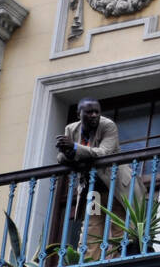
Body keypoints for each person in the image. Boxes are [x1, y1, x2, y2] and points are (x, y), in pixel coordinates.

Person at [55, 98, 134, 255]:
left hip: (114, 187)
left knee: (120, 227)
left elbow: (103, 153)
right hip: (93, 190)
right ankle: (89, 261)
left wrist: (74, 147)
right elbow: (61, 158)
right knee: (91, 230)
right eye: (89, 112)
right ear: (79, 114)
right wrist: (68, 152)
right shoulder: (71, 129)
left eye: (97, 112)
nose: (94, 115)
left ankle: (120, 261)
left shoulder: (108, 126)